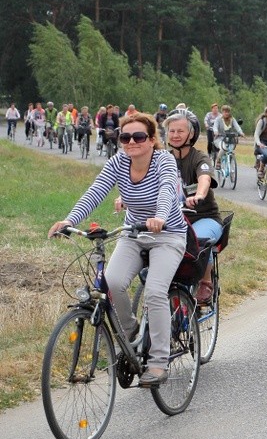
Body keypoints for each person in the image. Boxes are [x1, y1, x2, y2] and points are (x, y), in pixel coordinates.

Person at [48, 112, 186, 386]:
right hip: (132, 233)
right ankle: (130, 333)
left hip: (167, 235)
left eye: (138, 136)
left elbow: (168, 190)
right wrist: (69, 220)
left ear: (151, 140)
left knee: (156, 292)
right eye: (125, 137)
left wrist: (159, 216)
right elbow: (96, 191)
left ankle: (158, 362)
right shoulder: (118, 162)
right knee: (111, 281)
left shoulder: (164, 160)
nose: (131, 142)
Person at [163, 108, 223, 303]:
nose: (175, 135)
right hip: (173, 219)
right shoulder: (163, 159)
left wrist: (198, 194)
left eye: (180, 131)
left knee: (196, 239)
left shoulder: (199, 158)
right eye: (172, 131)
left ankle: (206, 281)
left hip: (203, 218)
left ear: (191, 133)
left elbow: (204, 178)